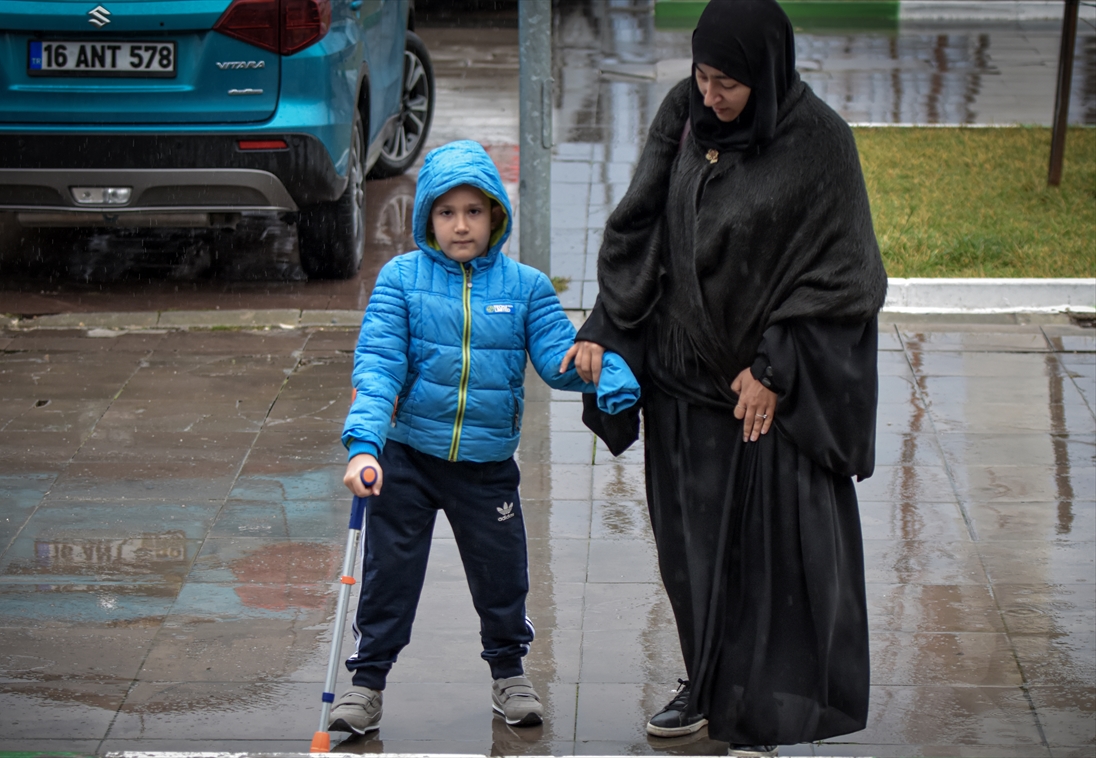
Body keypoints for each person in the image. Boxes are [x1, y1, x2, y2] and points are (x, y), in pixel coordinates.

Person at [564, 1, 887, 756]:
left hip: (759, 400)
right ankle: (704, 686)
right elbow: (641, 224)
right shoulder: (683, 114)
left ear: (769, 76)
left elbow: (845, 277)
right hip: (681, 388)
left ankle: (755, 703)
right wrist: (607, 331)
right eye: (703, 76)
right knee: (692, 559)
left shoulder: (819, 145)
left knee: (762, 565)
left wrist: (777, 366)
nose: (711, 95)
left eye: (729, 84)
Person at [330, 140, 639, 736]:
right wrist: (364, 447)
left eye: (474, 211)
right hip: (408, 457)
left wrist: (611, 372)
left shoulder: (525, 287)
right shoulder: (401, 279)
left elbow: (557, 357)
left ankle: (509, 673)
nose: (460, 225)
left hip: (485, 465)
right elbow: (378, 367)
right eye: (446, 213)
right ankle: (367, 682)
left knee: (502, 572)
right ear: (427, 218)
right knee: (389, 573)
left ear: (496, 214)